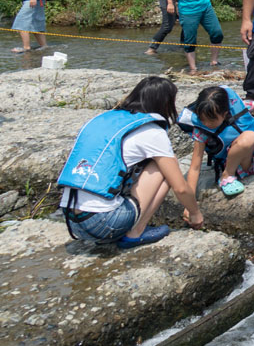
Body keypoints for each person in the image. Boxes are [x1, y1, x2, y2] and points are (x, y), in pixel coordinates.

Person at [57, 76, 203, 247]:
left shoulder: (104, 119)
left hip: (73, 222)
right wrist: (195, 213)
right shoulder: (151, 131)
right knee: (165, 167)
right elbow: (179, 187)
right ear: (166, 103)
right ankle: (136, 232)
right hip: (103, 224)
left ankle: (126, 222)